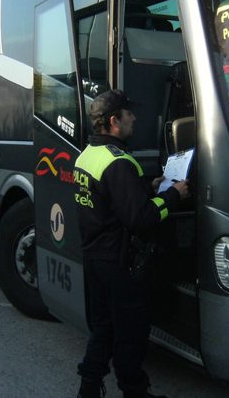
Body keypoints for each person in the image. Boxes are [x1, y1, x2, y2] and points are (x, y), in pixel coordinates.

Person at [74, 89, 189, 398]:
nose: (134, 118)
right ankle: (134, 392)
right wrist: (173, 195)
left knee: (103, 329)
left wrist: (142, 186)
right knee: (130, 334)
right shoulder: (119, 162)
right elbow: (142, 219)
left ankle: (88, 388)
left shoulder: (87, 155)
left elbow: (107, 200)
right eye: (128, 114)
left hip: (95, 259)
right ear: (114, 121)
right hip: (121, 264)